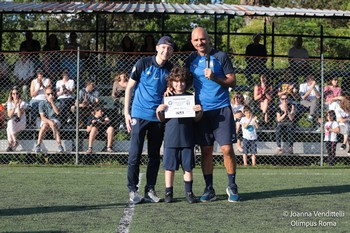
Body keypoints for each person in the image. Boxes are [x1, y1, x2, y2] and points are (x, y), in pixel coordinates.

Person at [185, 27, 240, 203]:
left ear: (208, 39)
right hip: (202, 111)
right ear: (192, 42)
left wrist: (216, 78)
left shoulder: (221, 56)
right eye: (196, 40)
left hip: (221, 109)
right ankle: (209, 189)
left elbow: (232, 81)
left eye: (202, 39)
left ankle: (232, 185)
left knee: (227, 149)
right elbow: (184, 83)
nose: (199, 43)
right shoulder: (190, 60)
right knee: (206, 150)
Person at [124, 35, 175, 204]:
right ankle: (132, 190)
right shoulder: (143, 63)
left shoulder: (171, 69)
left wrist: (170, 91)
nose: (165, 51)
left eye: (169, 48)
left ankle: (150, 189)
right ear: (157, 48)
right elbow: (129, 88)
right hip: (139, 114)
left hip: (158, 117)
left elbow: (176, 88)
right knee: (134, 154)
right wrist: (126, 113)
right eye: (163, 47)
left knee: (154, 155)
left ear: (172, 52)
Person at [156, 66, 203, 204]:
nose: (179, 84)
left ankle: (189, 192)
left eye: (182, 81)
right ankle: (168, 192)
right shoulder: (167, 97)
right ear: (171, 82)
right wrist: (159, 111)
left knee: (188, 167)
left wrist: (200, 111)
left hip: (187, 138)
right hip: (171, 137)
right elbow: (162, 119)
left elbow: (196, 119)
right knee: (169, 167)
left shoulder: (191, 97)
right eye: (176, 81)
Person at [35, 87, 64, 153]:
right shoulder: (42, 103)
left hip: (55, 119)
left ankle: (59, 145)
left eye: (52, 94)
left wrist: (52, 102)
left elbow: (57, 112)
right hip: (46, 120)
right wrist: (50, 122)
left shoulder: (58, 102)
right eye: (48, 94)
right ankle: (38, 145)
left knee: (54, 125)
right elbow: (42, 117)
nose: (50, 95)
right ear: (45, 95)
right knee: (45, 125)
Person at [6, 87, 27, 152]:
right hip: (13, 124)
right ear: (11, 95)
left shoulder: (23, 103)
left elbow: (19, 116)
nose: (15, 95)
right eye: (13, 94)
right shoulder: (10, 103)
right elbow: (10, 115)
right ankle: (14, 142)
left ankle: (10, 144)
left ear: (19, 94)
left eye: (17, 93)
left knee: (9, 125)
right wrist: (14, 106)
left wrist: (18, 105)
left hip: (21, 123)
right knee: (9, 124)